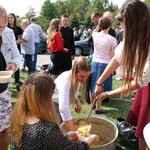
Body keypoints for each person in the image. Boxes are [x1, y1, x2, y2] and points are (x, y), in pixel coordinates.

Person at [95, 0, 150, 150]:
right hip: (145, 86)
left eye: (126, 24)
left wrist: (108, 93)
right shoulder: (133, 36)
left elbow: (139, 82)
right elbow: (118, 57)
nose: (122, 28)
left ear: (140, 21)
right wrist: (99, 82)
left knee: (147, 130)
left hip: (147, 86)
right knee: (140, 132)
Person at [11, 73, 99, 149]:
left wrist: (65, 136)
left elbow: (42, 143)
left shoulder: (18, 117)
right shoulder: (47, 129)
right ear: (45, 98)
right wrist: (90, 141)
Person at [0, 5, 21, 150]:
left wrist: (14, 63)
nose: (0, 31)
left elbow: (16, 56)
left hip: (3, 89)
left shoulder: (8, 33)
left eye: (1, 26)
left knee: (5, 129)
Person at [52, 56, 91, 131]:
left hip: (59, 104)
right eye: (82, 76)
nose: (85, 79)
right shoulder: (65, 80)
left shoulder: (77, 78)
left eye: (87, 76)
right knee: (59, 129)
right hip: (51, 104)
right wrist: (74, 132)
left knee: (65, 127)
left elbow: (70, 92)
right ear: (74, 71)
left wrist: (76, 101)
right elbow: (63, 108)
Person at [90, 16, 117, 114]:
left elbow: (96, 30)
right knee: (101, 87)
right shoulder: (112, 39)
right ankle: (98, 107)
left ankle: (93, 104)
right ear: (109, 25)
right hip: (105, 64)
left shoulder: (95, 34)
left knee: (93, 84)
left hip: (95, 62)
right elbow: (112, 55)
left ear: (99, 25)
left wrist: (99, 25)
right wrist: (113, 68)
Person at [8, 13, 23, 91]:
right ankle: (6, 83)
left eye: (11, 17)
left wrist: (16, 41)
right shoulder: (5, 28)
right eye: (9, 18)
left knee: (16, 66)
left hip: (16, 49)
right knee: (7, 66)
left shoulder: (18, 28)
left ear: (14, 19)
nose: (10, 19)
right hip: (7, 50)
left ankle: (17, 83)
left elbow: (22, 39)